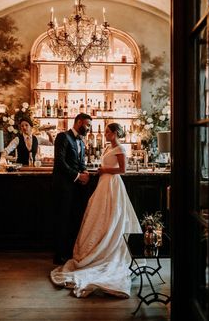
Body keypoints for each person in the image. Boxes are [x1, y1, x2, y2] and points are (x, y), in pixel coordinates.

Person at [50, 122, 143, 298]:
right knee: (99, 216)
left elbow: (123, 170)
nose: (105, 134)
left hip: (112, 184)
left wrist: (104, 170)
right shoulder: (109, 147)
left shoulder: (120, 149)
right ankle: (95, 248)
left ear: (115, 133)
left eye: (108, 132)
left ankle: (108, 248)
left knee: (111, 216)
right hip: (104, 183)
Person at [52, 112, 92, 265]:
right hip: (63, 186)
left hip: (76, 188)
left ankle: (70, 252)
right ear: (79, 122)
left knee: (74, 219)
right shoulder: (63, 137)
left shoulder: (81, 141)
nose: (88, 128)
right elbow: (60, 163)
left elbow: (81, 162)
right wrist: (77, 176)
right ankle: (59, 255)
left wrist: (85, 172)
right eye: (87, 125)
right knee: (62, 219)